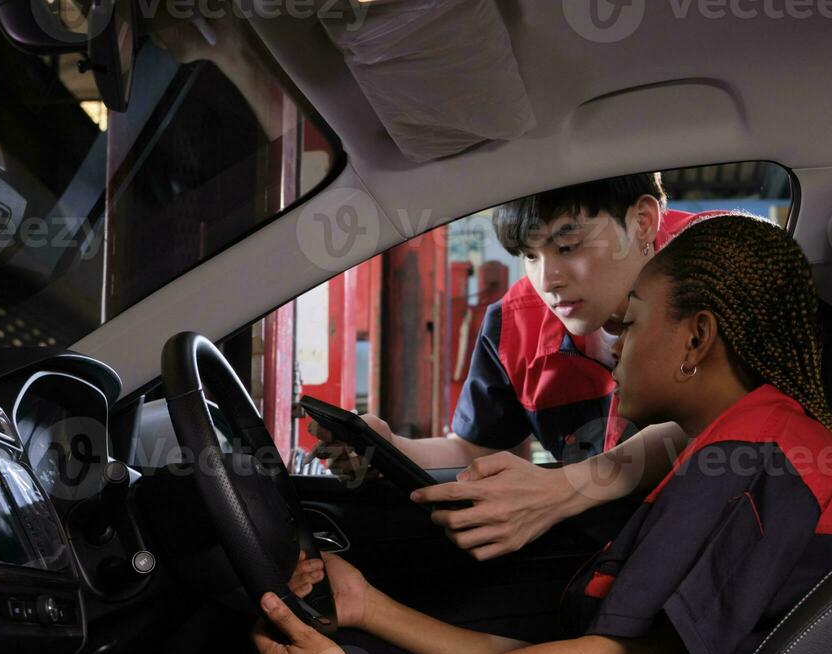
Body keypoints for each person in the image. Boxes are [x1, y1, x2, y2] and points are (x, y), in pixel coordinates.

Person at [182, 215, 832, 654]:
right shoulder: (756, 441)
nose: (613, 341)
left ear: (696, 338)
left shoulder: (755, 454)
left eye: (632, 324)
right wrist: (372, 611)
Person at [312, 175, 730, 560]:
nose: (547, 279)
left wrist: (565, 488)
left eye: (567, 247)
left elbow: (722, 413)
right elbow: (476, 447)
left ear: (641, 221)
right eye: (530, 255)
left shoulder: (725, 265)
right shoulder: (514, 325)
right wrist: (387, 447)